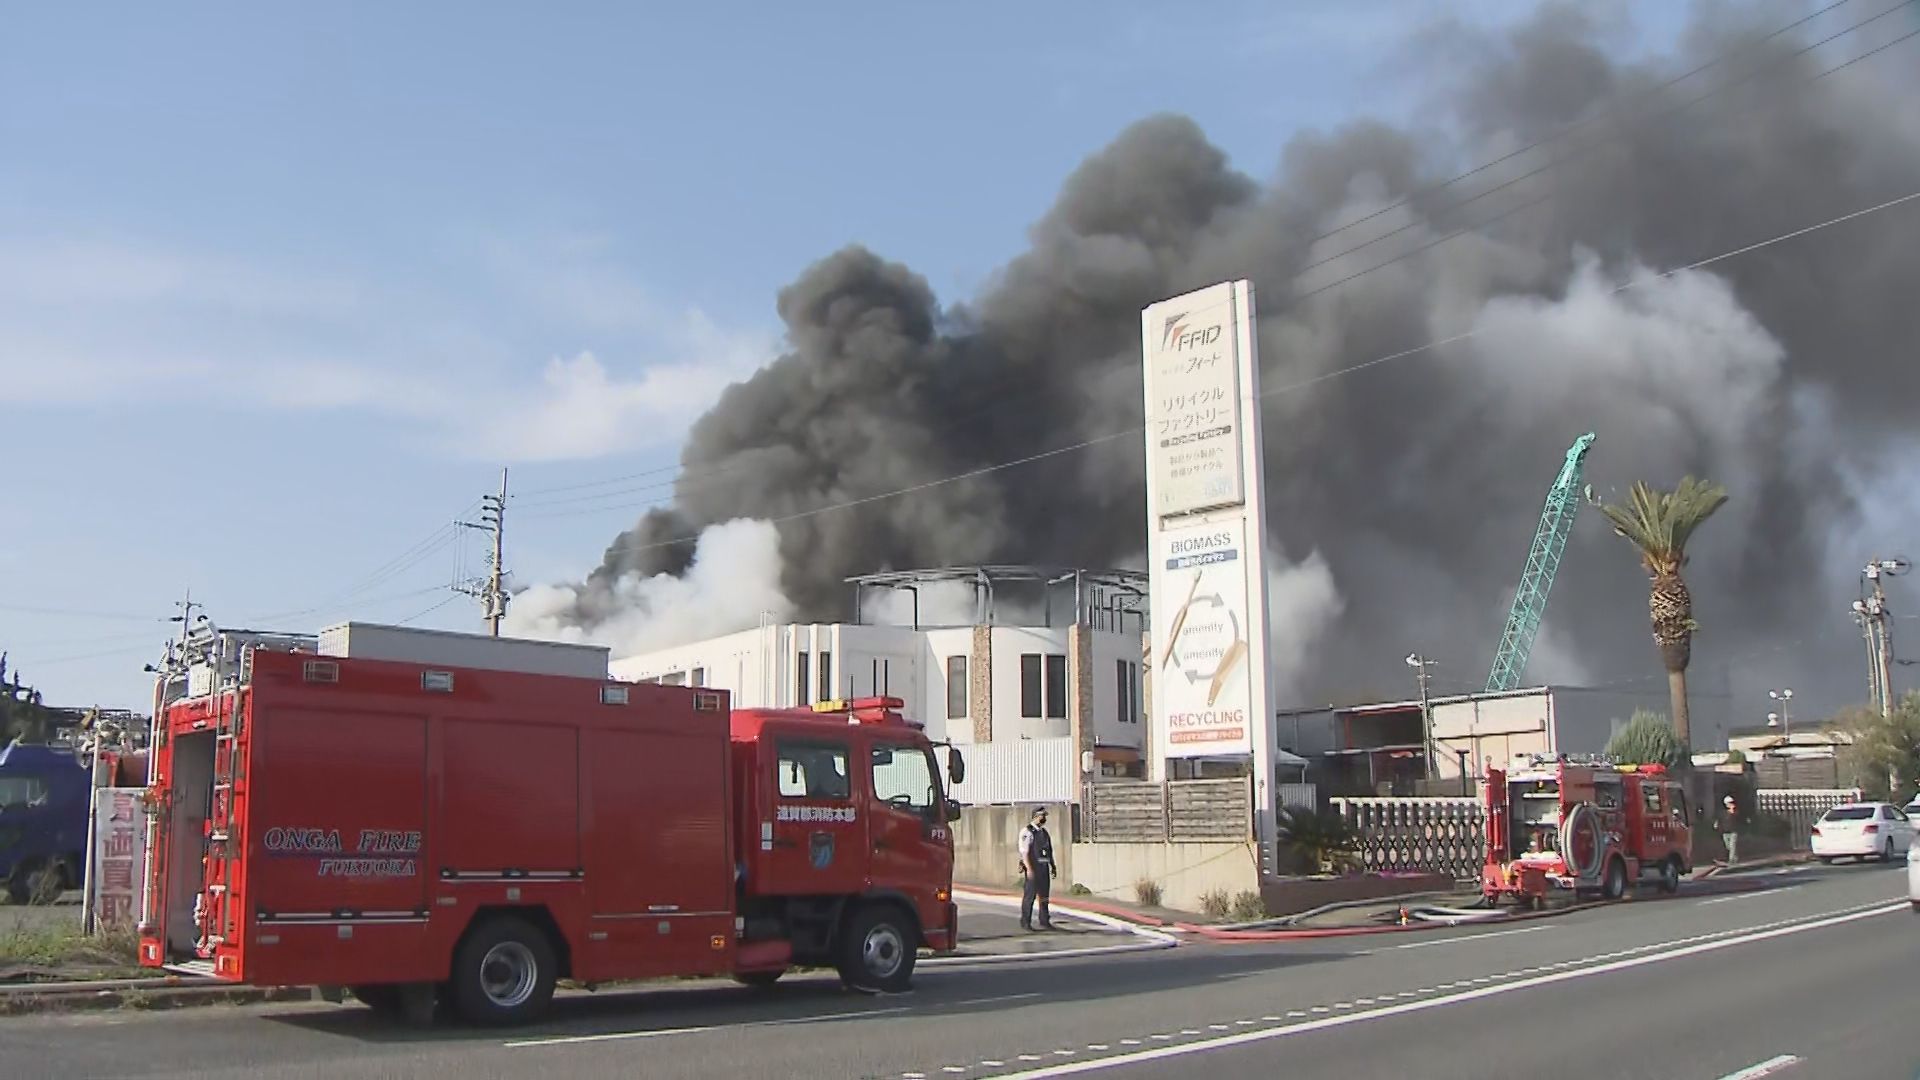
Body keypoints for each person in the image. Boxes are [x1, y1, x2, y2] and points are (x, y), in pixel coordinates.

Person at [1018, 806, 1056, 931]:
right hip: (1034, 868)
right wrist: (1029, 869)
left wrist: (1052, 866)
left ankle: (1044, 920)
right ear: (1035, 816)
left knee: (1044, 896)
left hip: (1044, 868)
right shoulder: (1027, 832)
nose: (1044, 818)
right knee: (1030, 896)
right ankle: (1025, 922)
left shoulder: (1044, 832)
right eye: (1042, 816)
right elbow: (1024, 852)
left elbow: (1049, 851)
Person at [1714, 794, 1740, 866]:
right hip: (1725, 832)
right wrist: (1717, 825)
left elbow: (1736, 816)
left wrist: (1732, 810)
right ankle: (1735, 858)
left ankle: (1731, 860)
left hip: (1733, 831)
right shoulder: (1722, 812)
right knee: (1728, 846)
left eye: (1731, 803)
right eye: (1729, 803)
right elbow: (1719, 820)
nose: (1730, 804)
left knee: (1732, 846)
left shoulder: (1734, 811)